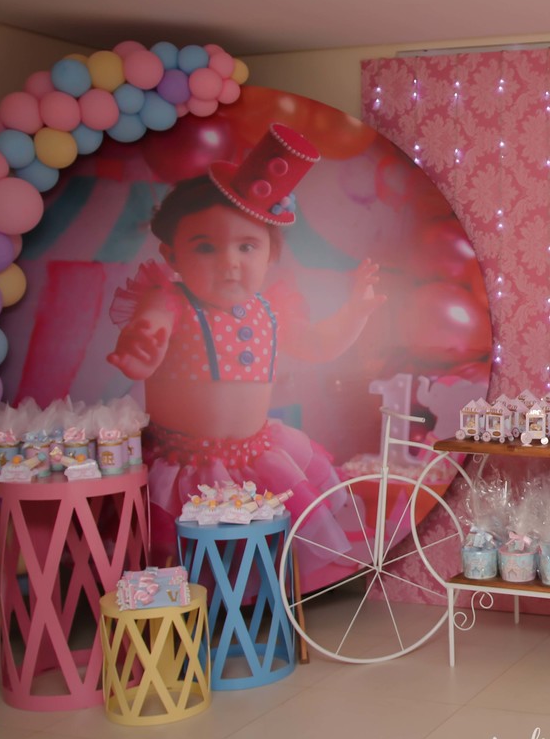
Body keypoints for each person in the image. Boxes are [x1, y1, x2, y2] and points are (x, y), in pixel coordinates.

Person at [108, 124, 382, 588]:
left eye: (247, 246)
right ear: (172, 255)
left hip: (259, 457)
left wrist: (356, 312)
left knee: (262, 550)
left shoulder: (271, 308)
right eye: (206, 247)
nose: (230, 261)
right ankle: (189, 606)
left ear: (271, 254)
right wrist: (141, 349)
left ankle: (251, 605)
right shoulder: (171, 300)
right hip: (182, 463)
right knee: (181, 554)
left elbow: (318, 345)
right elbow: (150, 328)